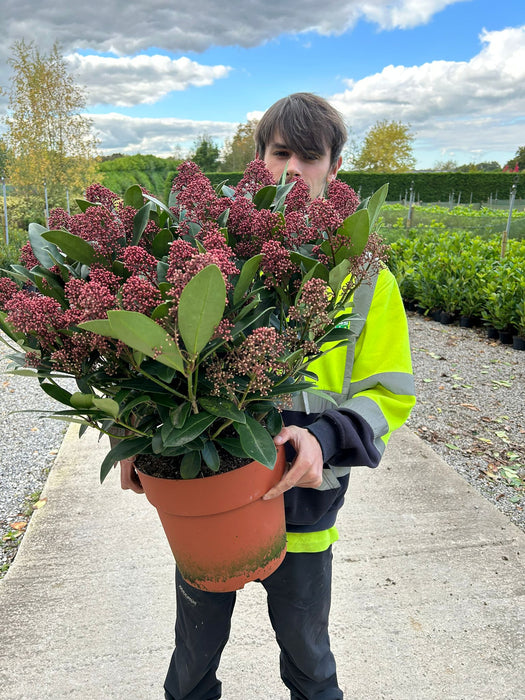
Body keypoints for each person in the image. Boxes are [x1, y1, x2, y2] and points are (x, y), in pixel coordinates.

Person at [120, 92, 416, 700]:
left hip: (307, 512)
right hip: (206, 501)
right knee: (192, 664)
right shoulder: (216, 258)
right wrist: (136, 434)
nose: (292, 170)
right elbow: (153, 361)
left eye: (310, 157)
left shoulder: (366, 279)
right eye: (280, 153)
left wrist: (325, 438)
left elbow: (388, 392)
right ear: (257, 160)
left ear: (335, 170)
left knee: (311, 664)